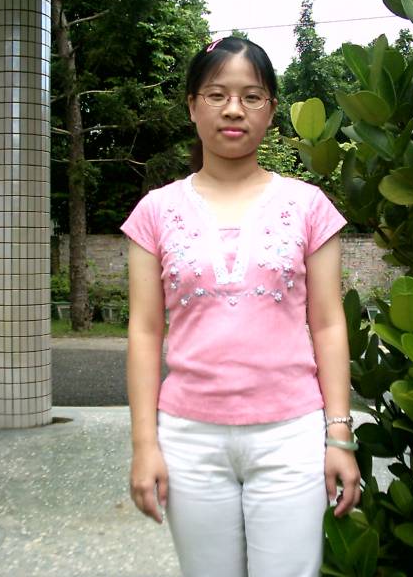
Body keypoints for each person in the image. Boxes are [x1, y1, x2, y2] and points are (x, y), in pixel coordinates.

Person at [121, 36, 360, 577]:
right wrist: (144, 445)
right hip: (188, 437)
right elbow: (144, 331)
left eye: (252, 96)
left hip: (291, 435)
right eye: (217, 94)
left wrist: (339, 435)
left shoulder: (308, 206)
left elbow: (328, 325)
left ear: (271, 110)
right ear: (192, 106)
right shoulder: (155, 211)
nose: (234, 109)